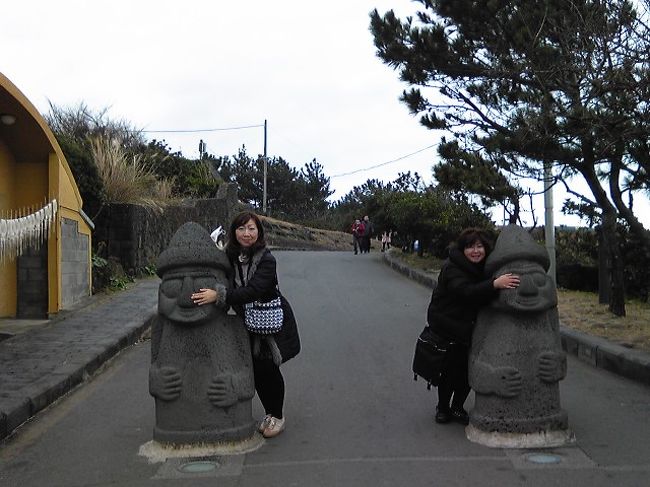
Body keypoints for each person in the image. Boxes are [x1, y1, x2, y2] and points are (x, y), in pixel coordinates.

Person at [191, 211, 300, 438]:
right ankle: (269, 413)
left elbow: (253, 291)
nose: (246, 233)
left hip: (270, 321)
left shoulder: (267, 259)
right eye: (241, 229)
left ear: (258, 231)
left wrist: (218, 296)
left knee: (270, 368)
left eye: (251, 228)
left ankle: (277, 416)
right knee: (257, 370)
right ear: (234, 232)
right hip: (248, 321)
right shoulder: (230, 256)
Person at [426, 228, 519, 425]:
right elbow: (465, 292)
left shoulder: (481, 267)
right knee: (450, 370)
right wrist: (494, 284)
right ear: (463, 249)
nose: (476, 251)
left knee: (467, 370)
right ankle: (442, 407)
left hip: (468, 325)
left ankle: (458, 407)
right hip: (448, 323)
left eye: (480, 246)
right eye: (470, 247)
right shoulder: (453, 268)